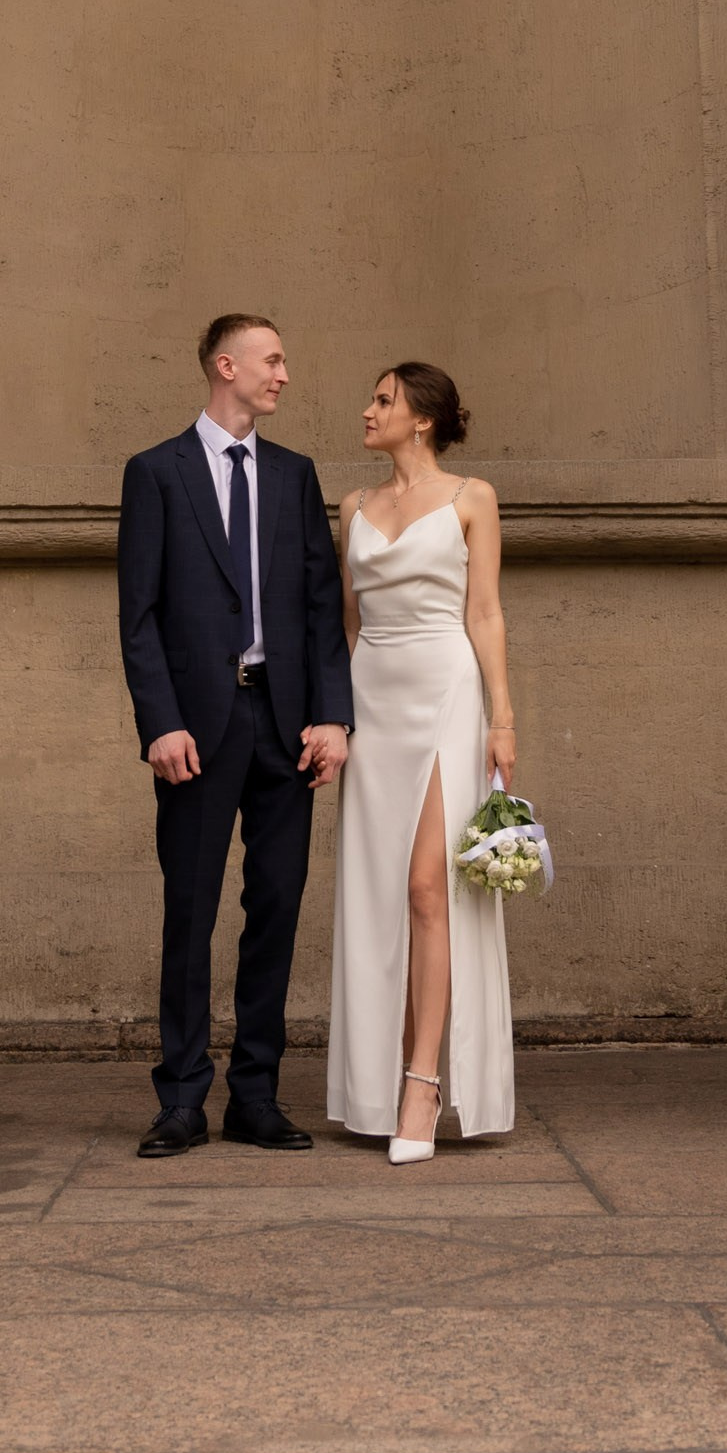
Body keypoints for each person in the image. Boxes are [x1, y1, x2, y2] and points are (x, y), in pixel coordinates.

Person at [118, 314, 354, 1158]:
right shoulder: (156, 473)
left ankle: (255, 1095)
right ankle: (181, 1098)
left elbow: (323, 606)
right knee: (191, 910)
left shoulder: (294, 476)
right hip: (197, 729)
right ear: (227, 366)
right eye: (273, 360)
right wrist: (161, 723)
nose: (284, 375)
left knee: (278, 906)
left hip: (285, 726)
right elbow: (138, 615)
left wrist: (334, 716)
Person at [329, 362, 516, 1161]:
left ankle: (423, 1082)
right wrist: (337, 719)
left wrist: (502, 718)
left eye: (383, 401)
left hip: (446, 691)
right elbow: (345, 624)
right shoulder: (353, 507)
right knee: (379, 895)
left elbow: (485, 612)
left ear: (424, 419)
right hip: (372, 699)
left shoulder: (473, 497)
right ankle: (376, 1084)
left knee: (427, 887)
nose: (368, 411)